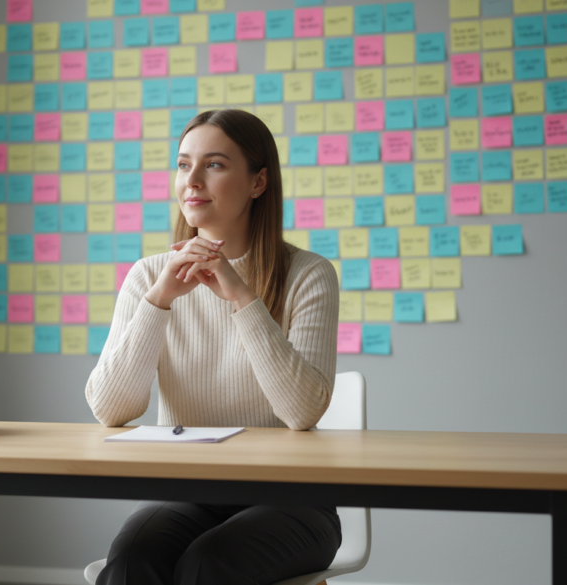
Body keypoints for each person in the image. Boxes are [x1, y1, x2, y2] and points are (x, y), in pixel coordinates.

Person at [85, 109, 342, 585]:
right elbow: (110, 409)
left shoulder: (309, 275)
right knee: (129, 562)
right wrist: (158, 301)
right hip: (187, 492)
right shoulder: (148, 276)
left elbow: (303, 412)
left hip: (293, 498)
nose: (192, 181)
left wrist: (242, 296)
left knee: (208, 565)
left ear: (258, 182)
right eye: (184, 165)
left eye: (215, 165)